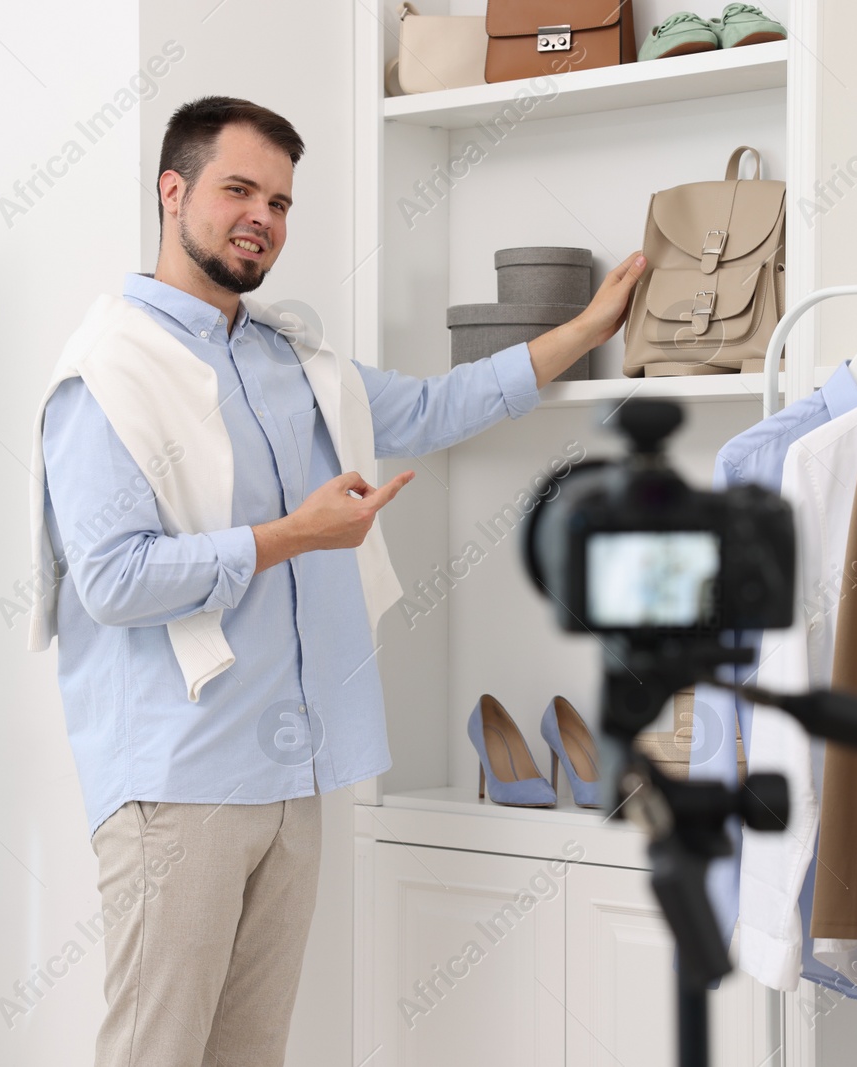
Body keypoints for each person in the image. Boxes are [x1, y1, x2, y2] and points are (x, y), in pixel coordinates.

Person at [33, 95, 645, 1067]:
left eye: (279, 201)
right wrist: (292, 535)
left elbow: (445, 404)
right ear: (171, 189)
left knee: (250, 1052)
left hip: (292, 777)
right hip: (177, 783)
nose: (261, 218)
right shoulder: (108, 370)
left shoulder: (293, 364)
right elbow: (112, 580)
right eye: (238, 189)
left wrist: (590, 326)